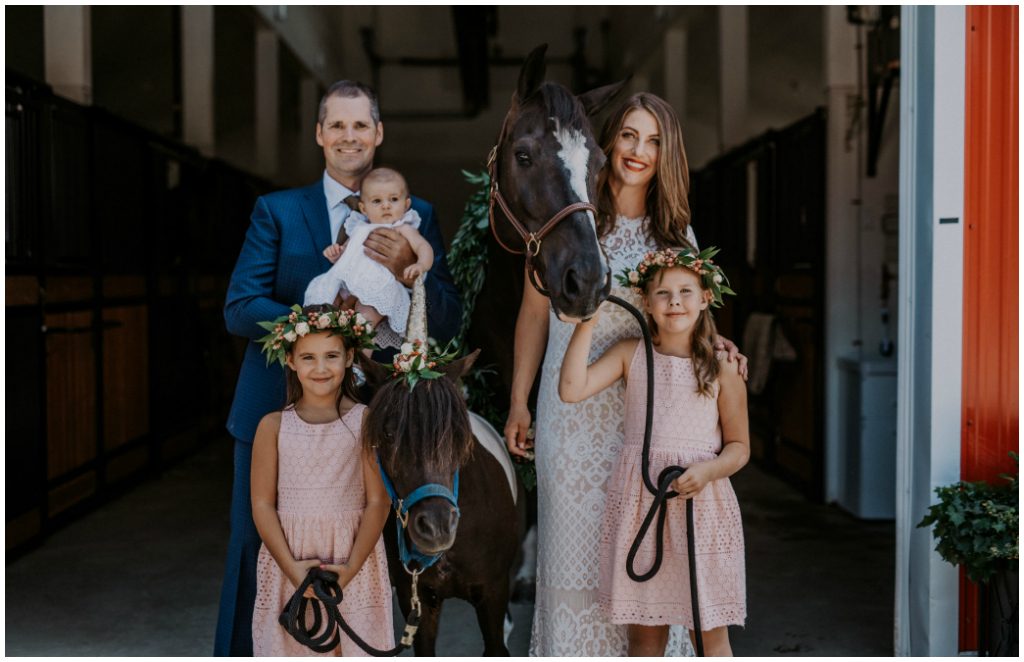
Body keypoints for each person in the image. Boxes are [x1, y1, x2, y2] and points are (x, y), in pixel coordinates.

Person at [216, 80, 462, 656]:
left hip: (378, 420)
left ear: (378, 134)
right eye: (338, 125)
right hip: (278, 412)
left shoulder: (416, 215)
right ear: (320, 134)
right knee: (254, 553)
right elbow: (240, 306)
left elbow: (448, 320)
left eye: (361, 125)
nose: (349, 136)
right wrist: (321, 324)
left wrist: (412, 269)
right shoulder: (277, 210)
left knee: (378, 554)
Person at [504, 92, 747, 656]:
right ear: (609, 140)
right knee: (576, 564)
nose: (639, 150)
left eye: (654, 141)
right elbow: (534, 312)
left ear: (668, 155)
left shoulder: (676, 233)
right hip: (574, 413)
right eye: (630, 135)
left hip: (653, 422)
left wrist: (719, 346)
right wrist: (519, 400)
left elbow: (692, 320)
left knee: (651, 565)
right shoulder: (567, 210)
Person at [560, 248, 749, 657]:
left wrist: (710, 470)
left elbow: (739, 448)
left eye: (685, 291)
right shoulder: (632, 354)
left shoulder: (722, 367)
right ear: (646, 301)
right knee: (645, 635)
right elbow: (571, 389)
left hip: (702, 507)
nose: (675, 301)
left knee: (709, 630)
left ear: (705, 298)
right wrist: (587, 323)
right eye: (663, 293)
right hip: (643, 506)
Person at [250, 304, 392, 656]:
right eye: (308, 357)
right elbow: (262, 504)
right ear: (291, 361)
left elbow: (378, 501)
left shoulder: (364, 421)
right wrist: (294, 571)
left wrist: (351, 569)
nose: (321, 368)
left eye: (331, 355)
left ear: (349, 357)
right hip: (289, 559)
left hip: (352, 559)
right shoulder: (273, 427)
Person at [304, 167, 434, 349]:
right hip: (346, 284)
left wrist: (420, 264)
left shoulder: (402, 227)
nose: (386, 205)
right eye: (377, 201)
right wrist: (336, 253)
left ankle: (359, 365)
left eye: (394, 199)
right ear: (363, 208)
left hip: (379, 287)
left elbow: (423, 247)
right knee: (326, 307)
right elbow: (346, 253)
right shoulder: (359, 227)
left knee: (364, 323)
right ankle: (330, 353)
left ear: (406, 204)